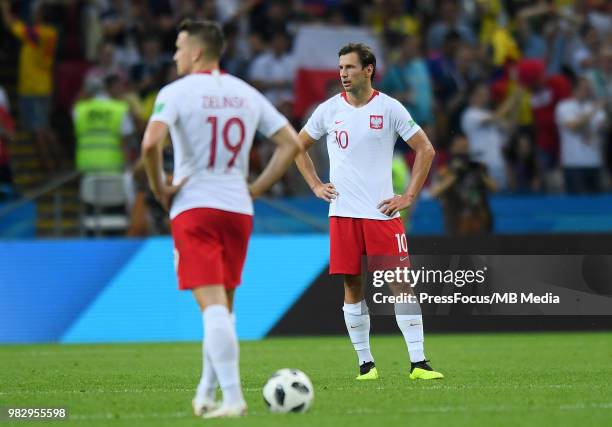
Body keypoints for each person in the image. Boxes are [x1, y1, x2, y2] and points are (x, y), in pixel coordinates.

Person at [141, 19, 301, 418]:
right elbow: (292, 143)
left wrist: (160, 186)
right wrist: (258, 187)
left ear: (196, 52)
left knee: (212, 308)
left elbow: (149, 143)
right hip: (237, 209)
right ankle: (206, 392)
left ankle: (233, 400)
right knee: (223, 310)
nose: (175, 55)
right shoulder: (246, 93)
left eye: (179, 47)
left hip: (195, 207)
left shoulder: (175, 92)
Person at [295, 43, 443, 381]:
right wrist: (316, 185)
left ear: (368, 69)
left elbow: (426, 149)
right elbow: (297, 147)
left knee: (401, 284)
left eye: (349, 67)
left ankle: (418, 363)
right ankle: (366, 364)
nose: (343, 74)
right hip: (343, 213)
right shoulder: (328, 110)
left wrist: (408, 195)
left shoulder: (390, 108)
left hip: (382, 213)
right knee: (352, 285)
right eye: (341, 68)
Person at [431, 134, 497, 235]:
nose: (463, 152)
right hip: (455, 225)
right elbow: (435, 193)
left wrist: (479, 172)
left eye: (465, 148)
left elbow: (495, 188)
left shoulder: (479, 168)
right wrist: (455, 174)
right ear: (452, 149)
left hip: (480, 224)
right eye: (460, 148)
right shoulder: (445, 171)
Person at [555, 77, 607, 194]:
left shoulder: (595, 107)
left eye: (589, 88)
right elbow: (573, 126)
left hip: (594, 162)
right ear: (575, 89)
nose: (588, 91)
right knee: (575, 206)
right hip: (573, 163)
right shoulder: (564, 107)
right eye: (585, 88)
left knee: (596, 206)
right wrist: (595, 110)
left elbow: (604, 126)